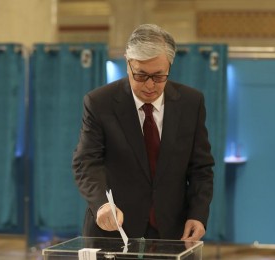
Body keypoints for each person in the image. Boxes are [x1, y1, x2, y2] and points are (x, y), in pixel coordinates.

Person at [72, 24, 214, 241]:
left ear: (170, 66)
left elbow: (201, 168)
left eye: (158, 76)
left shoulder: (191, 103)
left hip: (172, 232)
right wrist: (101, 204)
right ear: (127, 63)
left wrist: (198, 214)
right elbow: (86, 162)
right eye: (140, 75)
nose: (150, 85)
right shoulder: (100, 102)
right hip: (114, 230)